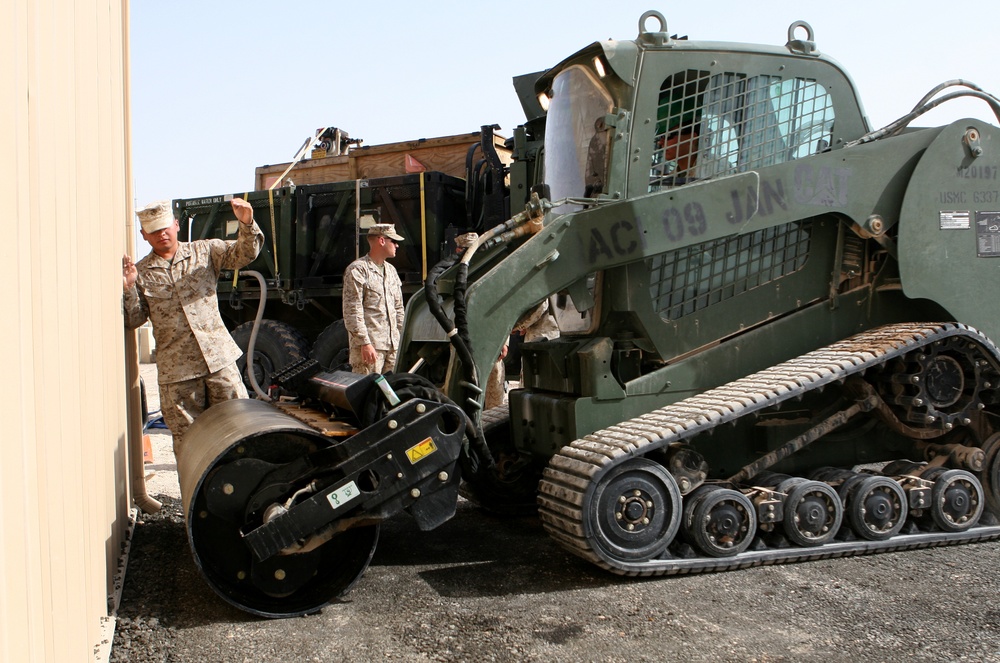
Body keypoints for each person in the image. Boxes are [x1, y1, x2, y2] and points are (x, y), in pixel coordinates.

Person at [122, 197, 264, 457]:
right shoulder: (141, 273)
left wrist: (247, 222)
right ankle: (196, 498)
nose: (161, 234)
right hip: (178, 374)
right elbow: (133, 320)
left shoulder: (205, 251)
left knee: (240, 430)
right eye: (153, 230)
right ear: (144, 235)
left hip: (218, 362)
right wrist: (129, 288)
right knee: (189, 445)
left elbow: (245, 253)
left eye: (165, 227)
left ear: (176, 225)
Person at [342, 223, 406, 374]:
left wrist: (400, 339)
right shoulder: (358, 269)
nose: (397, 246)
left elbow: (399, 308)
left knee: (390, 394)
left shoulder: (391, 271)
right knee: (368, 392)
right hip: (371, 348)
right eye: (393, 241)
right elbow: (352, 311)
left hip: (392, 347)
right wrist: (365, 343)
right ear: (381, 240)